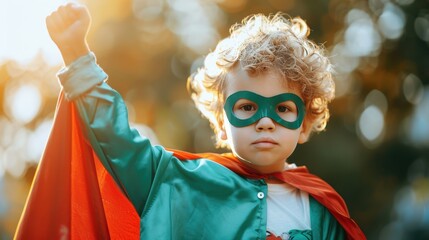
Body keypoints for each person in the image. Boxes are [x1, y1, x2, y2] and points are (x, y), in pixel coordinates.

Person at [45, 2, 365, 239]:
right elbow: (120, 144)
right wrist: (77, 56)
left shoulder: (321, 210)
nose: (265, 123)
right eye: (246, 107)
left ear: (305, 124)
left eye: (283, 109)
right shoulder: (178, 182)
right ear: (222, 122)